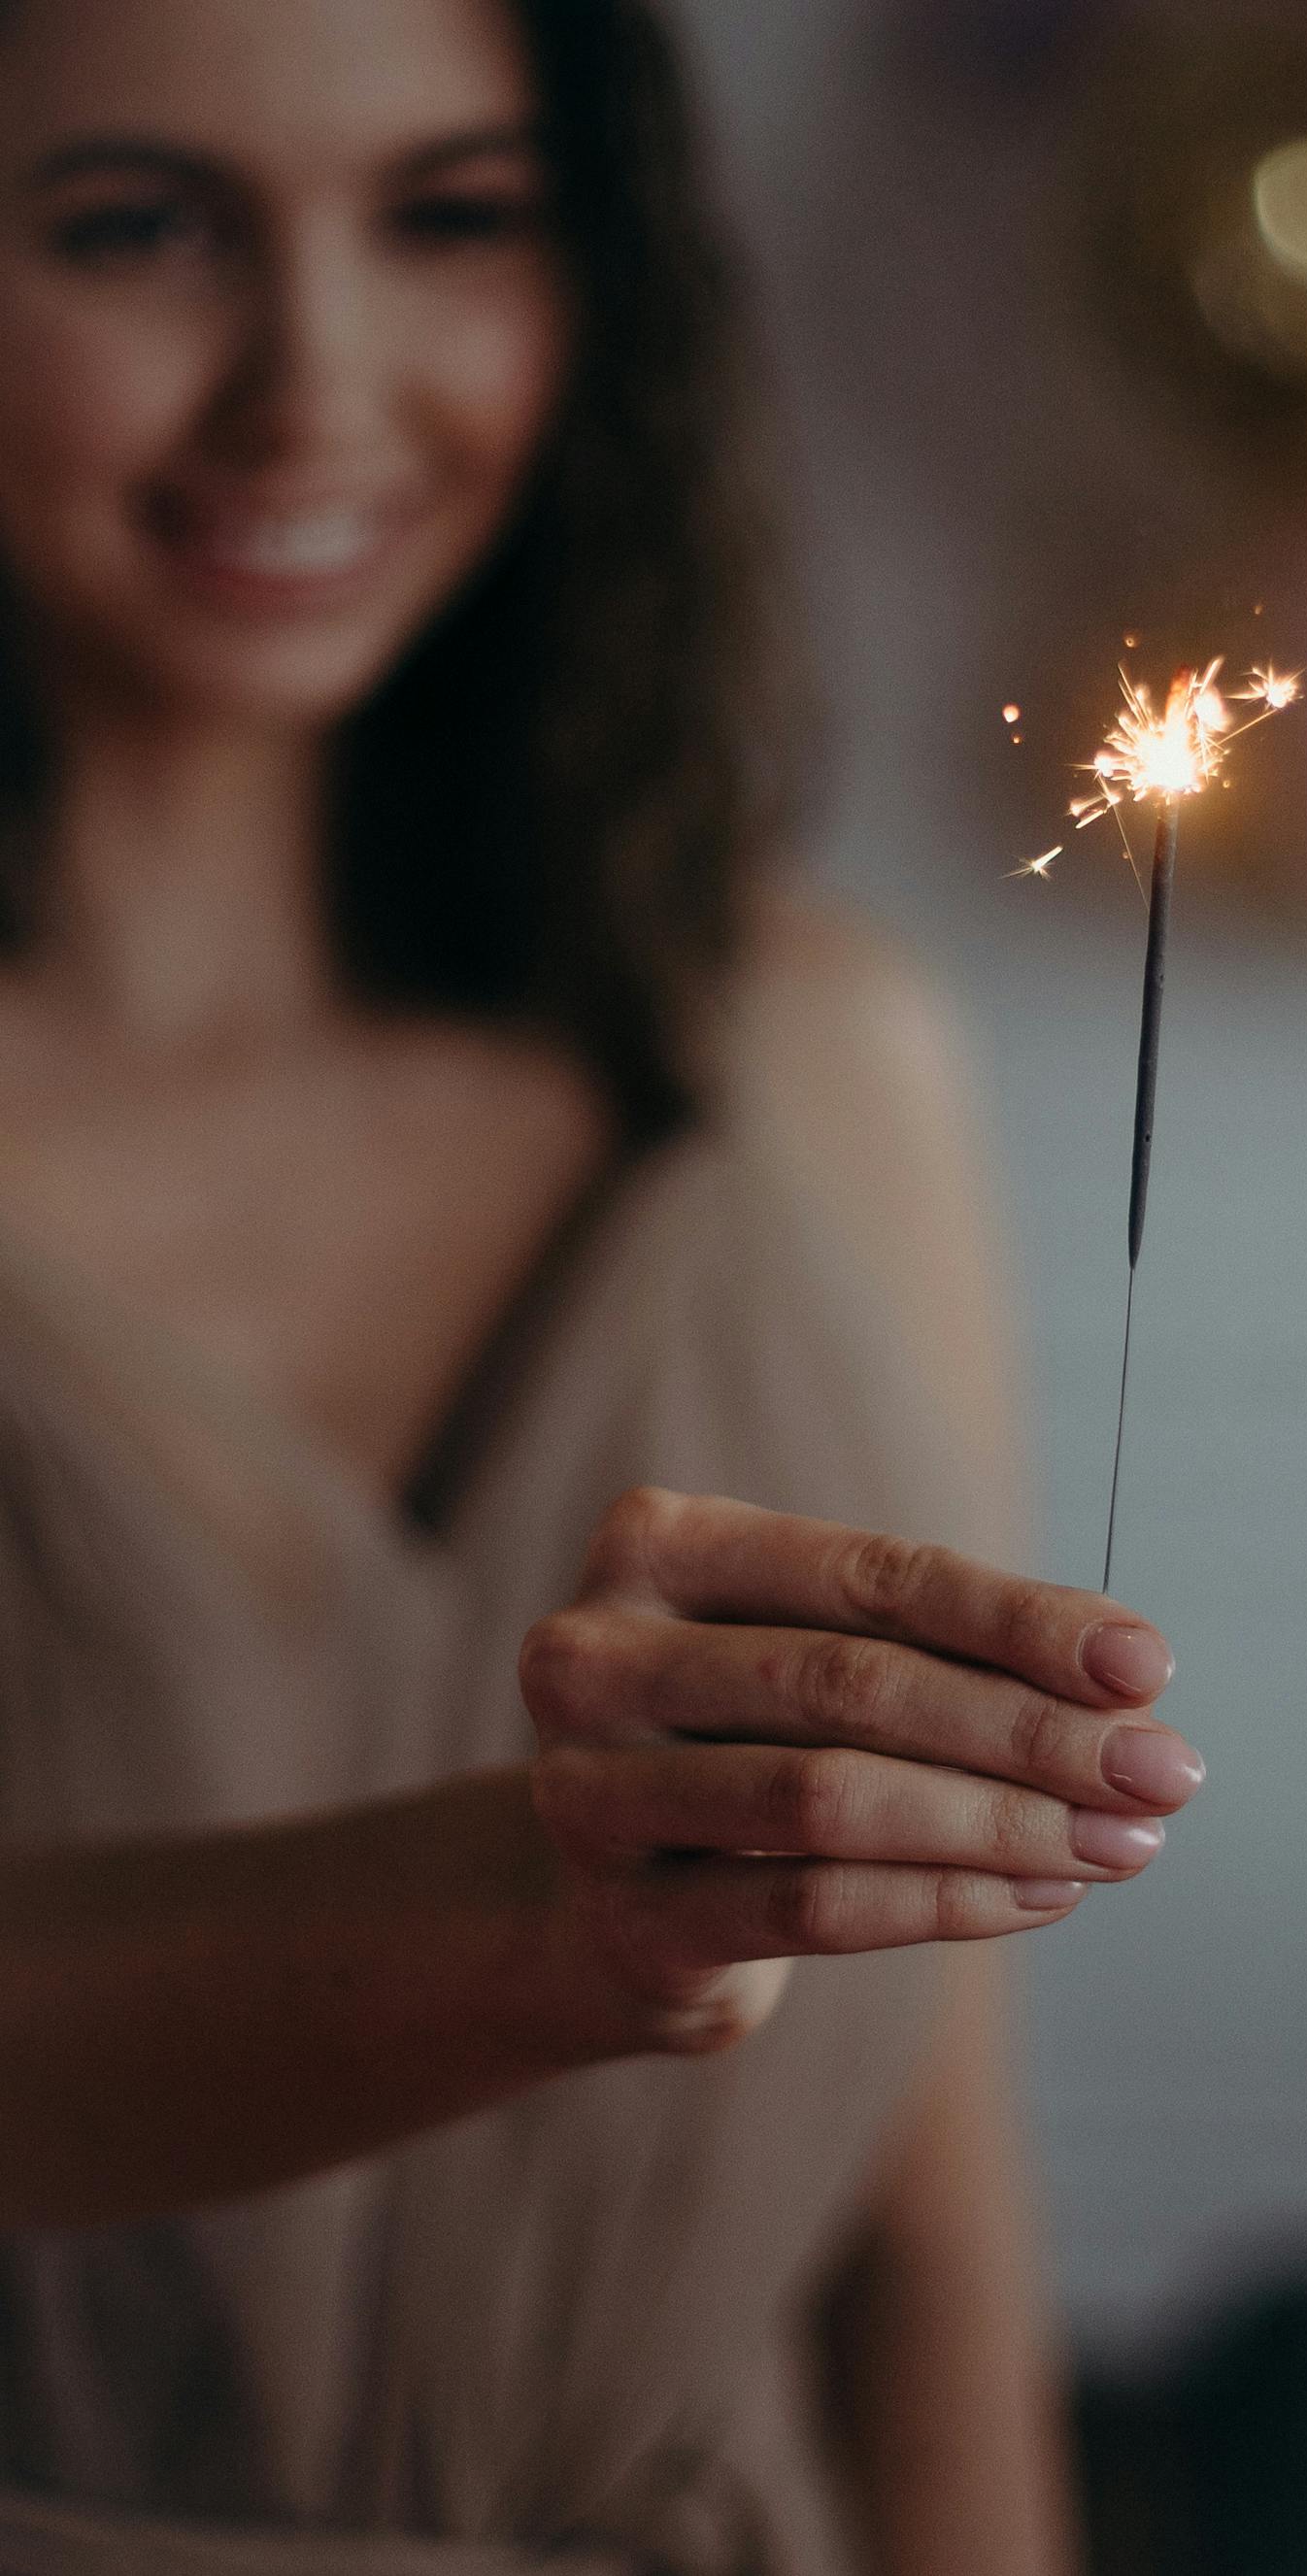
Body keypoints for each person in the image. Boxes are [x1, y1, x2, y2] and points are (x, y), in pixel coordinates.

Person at [0, 2, 1207, 2569]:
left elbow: (928, 2218)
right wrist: (500, 1918)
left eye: (451, 216)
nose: (315, 388)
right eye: (136, 227)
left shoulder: (801, 1062)